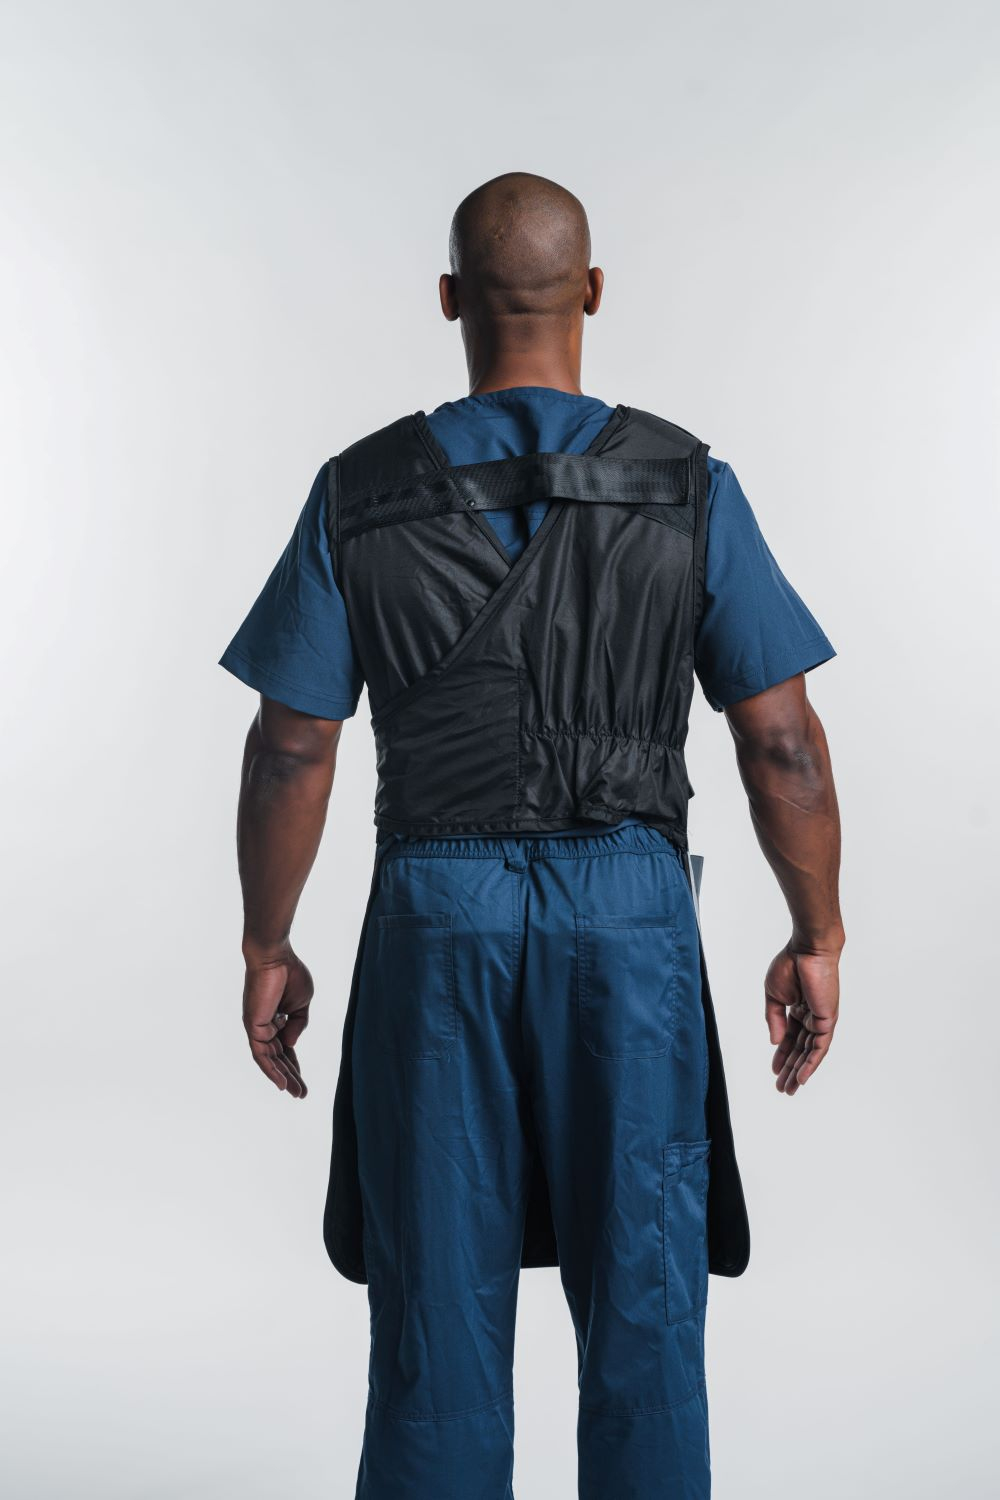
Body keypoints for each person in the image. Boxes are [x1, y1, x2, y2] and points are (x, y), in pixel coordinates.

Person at [220, 172, 844, 1500]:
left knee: (435, 1318)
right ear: (593, 292)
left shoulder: (358, 490)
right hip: (630, 918)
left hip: (434, 918)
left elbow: (291, 748)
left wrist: (268, 945)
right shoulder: (687, 484)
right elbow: (783, 741)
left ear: (450, 299)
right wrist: (818, 933)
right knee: (646, 1310)